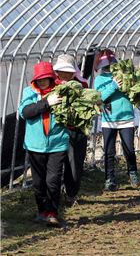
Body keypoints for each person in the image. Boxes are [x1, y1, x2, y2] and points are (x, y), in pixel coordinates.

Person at [18, 62, 68, 227]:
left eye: (44, 79)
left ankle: (53, 213)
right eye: (38, 79)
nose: (41, 82)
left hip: (57, 143)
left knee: (53, 180)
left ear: (50, 78)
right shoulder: (29, 92)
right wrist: (47, 103)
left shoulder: (62, 92)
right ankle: (42, 212)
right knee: (38, 183)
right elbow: (25, 112)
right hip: (35, 145)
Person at [93, 49, 140, 191]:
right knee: (109, 151)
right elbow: (99, 98)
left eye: (111, 64)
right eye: (106, 65)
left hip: (126, 117)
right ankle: (109, 179)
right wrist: (113, 86)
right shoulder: (100, 79)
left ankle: (132, 173)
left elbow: (133, 90)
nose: (109, 67)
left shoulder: (124, 74)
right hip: (109, 119)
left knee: (129, 149)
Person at [53, 54, 89, 207]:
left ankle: (71, 194)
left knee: (74, 165)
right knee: (55, 165)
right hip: (56, 130)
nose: (64, 75)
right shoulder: (51, 85)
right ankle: (54, 195)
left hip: (76, 131)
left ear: (74, 71)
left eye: (68, 71)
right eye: (61, 71)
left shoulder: (82, 85)